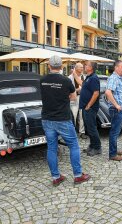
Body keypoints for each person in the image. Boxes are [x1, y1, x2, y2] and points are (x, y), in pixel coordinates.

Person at [40, 55, 90, 186]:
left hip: (47, 118)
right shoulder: (66, 81)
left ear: (49, 66)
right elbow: (73, 98)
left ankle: (56, 177)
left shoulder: (42, 80)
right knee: (73, 146)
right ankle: (78, 176)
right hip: (62, 118)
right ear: (61, 67)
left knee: (51, 148)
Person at [105, 60, 122, 161]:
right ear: (116, 67)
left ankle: (114, 150)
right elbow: (108, 92)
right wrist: (117, 105)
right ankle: (112, 154)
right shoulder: (114, 78)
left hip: (119, 109)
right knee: (114, 132)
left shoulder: (118, 78)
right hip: (116, 110)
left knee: (116, 131)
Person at [79, 61, 101, 157]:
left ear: (91, 68)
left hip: (90, 108)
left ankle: (97, 147)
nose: (85, 66)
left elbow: (96, 93)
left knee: (92, 128)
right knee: (88, 128)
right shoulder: (88, 77)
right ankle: (92, 145)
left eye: (87, 65)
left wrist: (89, 105)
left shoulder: (94, 78)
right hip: (85, 107)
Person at [68, 63, 86, 137]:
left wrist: (81, 89)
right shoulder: (70, 77)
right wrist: (76, 90)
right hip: (74, 98)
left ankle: (82, 132)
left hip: (82, 97)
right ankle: (73, 132)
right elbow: (68, 89)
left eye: (82, 67)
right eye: (80, 67)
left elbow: (85, 87)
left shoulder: (83, 77)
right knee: (73, 115)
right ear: (76, 68)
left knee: (82, 116)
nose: (82, 69)